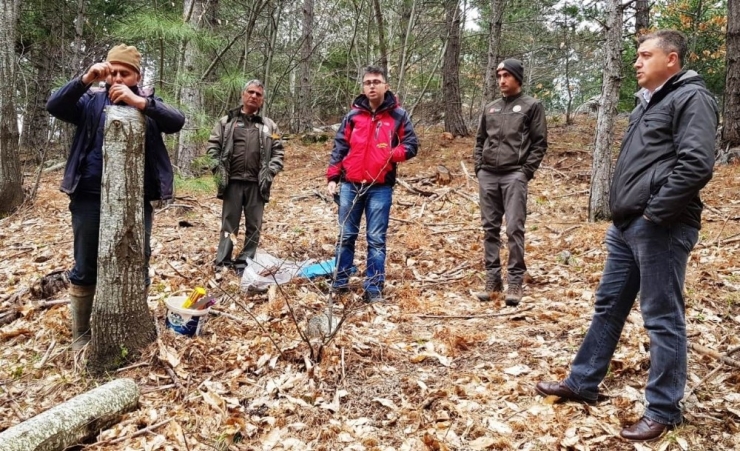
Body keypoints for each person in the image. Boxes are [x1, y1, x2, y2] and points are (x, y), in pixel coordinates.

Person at [535, 30, 717, 442]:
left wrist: (655, 212)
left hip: (661, 226)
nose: (636, 62)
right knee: (609, 305)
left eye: (644, 54)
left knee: (662, 317)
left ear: (671, 59)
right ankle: (582, 382)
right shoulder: (646, 103)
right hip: (627, 225)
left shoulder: (692, 98)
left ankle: (663, 410)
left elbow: (697, 163)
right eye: (636, 54)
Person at [46, 44, 185, 350]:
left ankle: (135, 321)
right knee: (85, 262)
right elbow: (54, 106)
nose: (118, 78)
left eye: (126, 73)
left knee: (137, 257)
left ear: (137, 75)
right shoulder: (89, 101)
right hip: (88, 195)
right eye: (113, 72)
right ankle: (82, 333)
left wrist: (141, 103)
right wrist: (85, 79)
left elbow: (177, 121)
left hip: (136, 199)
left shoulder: (147, 102)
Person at [326, 66, 418, 303]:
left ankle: (374, 289)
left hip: (380, 186)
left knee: (376, 239)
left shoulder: (398, 115)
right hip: (350, 184)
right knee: (346, 235)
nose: (372, 86)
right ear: (363, 87)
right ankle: (340, 282)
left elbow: (411, 145)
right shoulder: (353, 116)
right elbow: (339, 147)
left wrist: (390, 153)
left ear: (385, 86)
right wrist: (333, 178)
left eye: (377, 81)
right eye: (368, 82)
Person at [472, 58, 548, 306]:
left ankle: (515, 280)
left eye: (507, 75)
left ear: (517, 78)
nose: (502, 80)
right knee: (489, 228)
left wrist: (526, 171)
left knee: (515, 228)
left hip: (515, 174)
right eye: (499, 75)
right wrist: (479, 168)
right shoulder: (491, 107)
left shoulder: (532, 106)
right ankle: (493, 280)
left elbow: (539, 143)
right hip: (489, 175)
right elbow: (480, 140)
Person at [207, 80, 284, 274]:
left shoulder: (269, 126)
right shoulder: (227, 122)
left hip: (257, 184)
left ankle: (244, 262)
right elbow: (212, 147)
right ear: (243, 95)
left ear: (262, 100)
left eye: (258, 94)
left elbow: (278, 151)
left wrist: (271, 171)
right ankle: (223, 262)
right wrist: (217, 168)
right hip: (231, 182)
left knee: (254, 225)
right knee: (228, 224)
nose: (254, 96)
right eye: (250, 92)